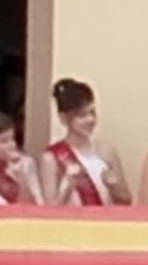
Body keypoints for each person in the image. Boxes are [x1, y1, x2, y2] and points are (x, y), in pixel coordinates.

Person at [40, 79, 131, 207]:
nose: (90, 120)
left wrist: (114, 186)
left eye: (92, 113)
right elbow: (48, 210)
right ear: (64, 118)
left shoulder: (107, 151)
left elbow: (127, 201)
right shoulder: (52, 157)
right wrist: (66, 188)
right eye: (82, 115)